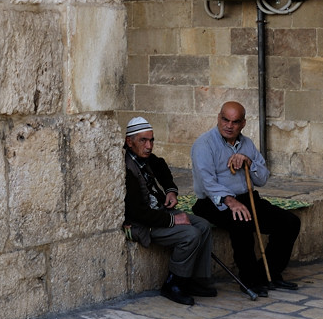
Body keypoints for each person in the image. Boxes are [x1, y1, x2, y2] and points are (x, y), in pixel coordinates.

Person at [191, 101, 301, 297]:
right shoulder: (204, 144)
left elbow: (263, 178)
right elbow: (206, 182)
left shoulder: (247, 144)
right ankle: (249, 280)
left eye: (235, 122)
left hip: (247, 197)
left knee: (289, 222)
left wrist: (249, 163)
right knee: (241, 221)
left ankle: (268, 274)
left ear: (243, 123)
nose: (229, 125)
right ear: (218, 118)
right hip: (213, 202)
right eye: (225, 119)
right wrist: (230, 201)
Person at [122, 117, 216, 306]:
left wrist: (170, 190)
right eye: (143, 140)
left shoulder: (144, 157)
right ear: (129, 142)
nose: (149, 146)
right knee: (190, 234)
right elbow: (138, 213)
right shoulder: (126, 168)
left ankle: (195, 280)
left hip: (158, 213)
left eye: (151, 140)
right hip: (144, 223)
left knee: (204, 225)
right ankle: (173, 284)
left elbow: (162, 166)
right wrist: (173, 221)